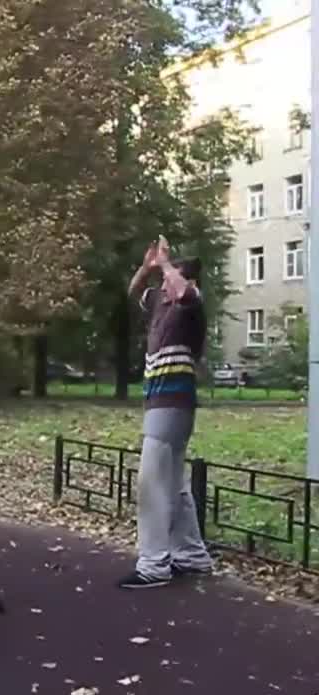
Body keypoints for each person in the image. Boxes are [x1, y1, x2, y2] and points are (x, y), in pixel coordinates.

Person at [119, 236, 214, 589]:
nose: (164, 285)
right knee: (174, 485)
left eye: (169, 279)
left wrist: (167, 264)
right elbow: (133, 293)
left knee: (152, 484)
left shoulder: (191, 306)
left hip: (174, 403)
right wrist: (147, 267)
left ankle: (154, 566)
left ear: (189, 282)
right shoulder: (161, 303)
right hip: (159, 403)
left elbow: (182, 290)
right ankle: (191, 556)